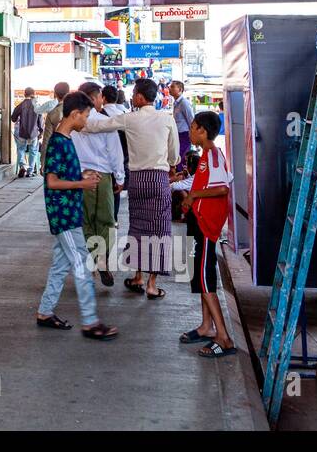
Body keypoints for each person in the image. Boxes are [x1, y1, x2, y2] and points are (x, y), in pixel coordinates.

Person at [83, 77, 179, 299]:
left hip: (136, 180)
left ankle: (138, 277)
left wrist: (74, 120)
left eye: (135, 92)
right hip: (158, 180)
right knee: (159, 230)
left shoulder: (130, 118)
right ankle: (152, 285)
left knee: (138, 228)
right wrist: (169, 163)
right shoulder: (166, 119)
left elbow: (98, 125)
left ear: (139, 97)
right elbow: (173, 155)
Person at [37, 92, 119, 340]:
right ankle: (91, 321)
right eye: (85, 115)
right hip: (64, 215)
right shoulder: (59, 143)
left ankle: (45, 311)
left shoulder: (66, 139)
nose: (86, 120)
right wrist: (81, 185)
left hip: (69, 212)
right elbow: (51, 182)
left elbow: (62, 177)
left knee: (60, 265)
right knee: (83, 263)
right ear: (74, 114)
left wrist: (81, 178)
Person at [181, 111, 238, 358]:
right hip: (200, 222)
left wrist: (193, 196)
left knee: (206, 280)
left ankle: (223, 337)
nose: (191, 132)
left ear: (202, 130)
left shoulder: (213, 155)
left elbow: (222, 187)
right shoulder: (206, 156)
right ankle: (206, 326)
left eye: (193, 128)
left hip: (207, 226)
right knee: (201, 277)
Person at [72, 83, 123, 286]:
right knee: (107, 221)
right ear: (97, 97)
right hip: (102, 176)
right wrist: (119, 177)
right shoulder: (105, 121)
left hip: (81, 176)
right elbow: (114, 152)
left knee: (85, 221)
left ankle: (92, 263)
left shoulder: (73, 122)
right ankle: (102, 259)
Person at [101, 84, 131, 218]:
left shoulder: (99, 116)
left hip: (103, 161)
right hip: (121, 159)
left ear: (103, 98)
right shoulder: (124, 115)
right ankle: (114, 218)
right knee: (116, 190)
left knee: (104, 192)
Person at [10, 87, 43, 178]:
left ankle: (22, 166)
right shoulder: (37, 105)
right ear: (33, 94)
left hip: (22, 132)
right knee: (33, 151)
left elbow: (13, 118)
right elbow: (40, 121)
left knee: (21, 149)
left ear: (25, 94)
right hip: (34, 133)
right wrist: (41, 131)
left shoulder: (20, 105)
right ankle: (30, 171)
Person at [40, 82, 71, 149]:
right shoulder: (76, 110)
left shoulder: (52, 112)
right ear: (68, 93)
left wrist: (43, 158)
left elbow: (47, 139)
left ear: (55, 94)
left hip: (58, 152)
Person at [170, 81, 194, 162]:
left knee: (182, 158)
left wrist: (193, 136)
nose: (170, 88)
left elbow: (191, 120)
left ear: (180, 89)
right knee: (178, 157)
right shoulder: (176, 103)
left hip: (185, 135)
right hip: (178, 134)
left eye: (173, 87)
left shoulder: (184, 103)